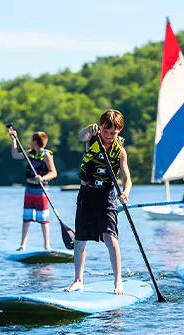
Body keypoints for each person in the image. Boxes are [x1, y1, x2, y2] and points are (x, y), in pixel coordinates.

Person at [64, 109, 132, 295]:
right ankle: (78, 280)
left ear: (119, 131)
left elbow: (127, 178)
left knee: (110, 237)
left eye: (114, 133)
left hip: (107, 195)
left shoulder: (121, 151)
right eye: (106, 131)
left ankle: (118, 282)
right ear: (101, 127)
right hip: (87, 193)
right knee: (80, 239)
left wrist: (125, 192)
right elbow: (80, 135)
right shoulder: (91, 139)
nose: (109, 136)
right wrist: (89, 128)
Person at [9, 130, 58, 251]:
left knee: (43, 219)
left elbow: (53, 173)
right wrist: (14, 139)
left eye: (31, 140)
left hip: (41, 192)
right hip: (29, 190)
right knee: (26, 218)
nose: (30, 142)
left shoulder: (46, 155)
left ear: (35, 142)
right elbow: (15, 155)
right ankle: (22, 245)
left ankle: (47, 245)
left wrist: (42, 178)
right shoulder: (30, 153)